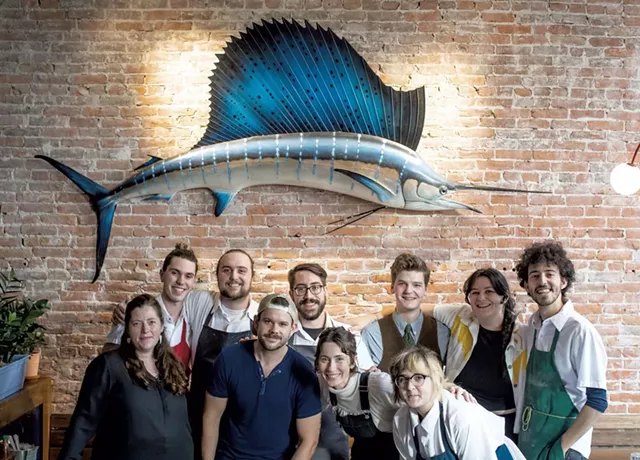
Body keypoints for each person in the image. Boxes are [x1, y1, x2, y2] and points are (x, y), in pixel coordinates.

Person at [60, 294, 192, 460]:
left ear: (161, 327)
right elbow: (83, 422)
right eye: (137, 323)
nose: (146, 330)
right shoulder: (109, 366)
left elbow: (183, 425)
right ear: (128, 329)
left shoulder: (174, 366)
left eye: (151, 322)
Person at [515, 241, 608, 460]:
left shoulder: (579, 331)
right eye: (534, 275)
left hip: (565, 449)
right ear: (527, 285)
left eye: (550, 274)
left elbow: (598, 400)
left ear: (563, 281)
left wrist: (561, 449)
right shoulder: (532, 326)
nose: (542, 281)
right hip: (532, 442)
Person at [202, 293, 322, 460]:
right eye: (268, 321)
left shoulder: (303, 372)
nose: (274, 330)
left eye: (282, 324)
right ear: (256, 322)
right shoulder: (229, 359)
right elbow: (211, 418)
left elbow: (309, 441)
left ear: (293, 328)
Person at [427, 268, 527, 441]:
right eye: (475, 292)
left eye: (489, 291)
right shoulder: (461, 316)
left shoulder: (523, 336)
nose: (481, 298)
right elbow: (413, 307)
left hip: (506, 426)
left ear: (504, 297)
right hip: (462, 420)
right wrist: (372, 316)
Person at [287, 263, 374, 460]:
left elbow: (368, 381)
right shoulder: (282, 336)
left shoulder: (350, 336)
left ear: (325, 291)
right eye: (301, 288)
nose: (309, 295)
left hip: (334, 442)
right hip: (287, 439)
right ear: (292, 294)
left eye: (315, 287)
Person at [182, 249, 259, 460]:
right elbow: (165, 302)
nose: (234, 277)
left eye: (241, 270)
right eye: (227, 270)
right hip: (197, 416)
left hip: (242, 424)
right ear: (217, 275)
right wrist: (127, 309)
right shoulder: (200, 302)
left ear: (253, 276)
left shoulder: (263, 319)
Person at [390, 346, 525, 460]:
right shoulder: (401, 420)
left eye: (418, 378)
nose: (409, 387)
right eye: (403, 379)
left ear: (436, 379)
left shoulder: (461, 416)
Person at [103, 243, 197, 373]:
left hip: (179, 392)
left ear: (194, 282)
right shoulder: (136, 312)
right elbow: (107, 358)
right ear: (162, 274)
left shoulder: (192, 318)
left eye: (188, 276)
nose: (181, 281)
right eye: (175, 273)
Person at [315, 327, 400, 460]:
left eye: (339, 359)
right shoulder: (323, 385)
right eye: (324, 359)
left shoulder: (379, 384)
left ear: (353, 361)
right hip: (362, 452)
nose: (331, 368)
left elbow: (413, 416)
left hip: (395, 452)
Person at [362, 253, 449, 372]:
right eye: (402, 284)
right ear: (392, 287)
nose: (409, 291)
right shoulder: (372, 333)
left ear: (425, 290)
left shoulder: (442, 332)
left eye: (416, 285)